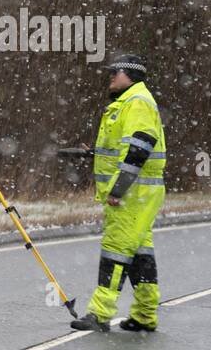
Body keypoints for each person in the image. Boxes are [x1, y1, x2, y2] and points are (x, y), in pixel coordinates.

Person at [70, 54, 166, 332]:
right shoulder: (128, 102)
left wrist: (119, 188)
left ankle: (100, 314)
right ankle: (145, 315)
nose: (111, 76)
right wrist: (96, 154)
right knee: (138, 252)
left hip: (133, 193)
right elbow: (125, 148)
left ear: (131, 75)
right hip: (139, 192)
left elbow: (140, 146)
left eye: (116, 71)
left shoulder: (137, 102)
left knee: (115, 250)